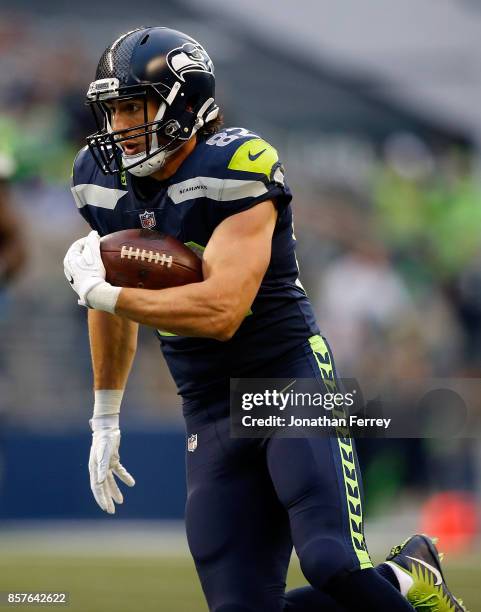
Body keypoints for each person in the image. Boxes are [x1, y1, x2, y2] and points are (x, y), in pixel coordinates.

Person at [63, 26, 468, 612]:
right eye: (113, 110)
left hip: (284, 378)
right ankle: (407, 578)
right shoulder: (98, 181)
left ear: (183, 105)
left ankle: (401, 582)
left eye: (133, 107)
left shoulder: (236, 163)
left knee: (330, 559)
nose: (120, 126)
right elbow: (105, 292)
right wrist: (105, 415)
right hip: (205, 400)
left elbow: (222, 310)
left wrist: (106, 296)